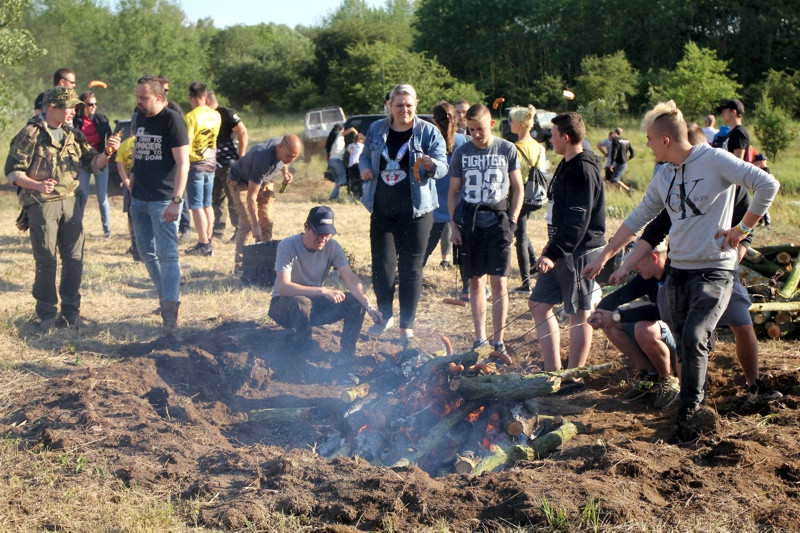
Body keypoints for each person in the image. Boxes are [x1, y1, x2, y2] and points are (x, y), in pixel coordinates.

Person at [582, 100, 779, 443]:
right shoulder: (666, 176)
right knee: (686, 343)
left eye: (649, 140)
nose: (645, 145)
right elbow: (638, 221)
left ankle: (693, 409)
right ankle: (691, 406)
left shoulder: (714, 159)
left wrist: (742, 229)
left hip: (714, 271)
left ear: (666, 141)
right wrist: (607, 257)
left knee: (694, 335)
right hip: (679, 273)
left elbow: (767, 185)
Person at [5, 86, 119, 330]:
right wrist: (36, 184)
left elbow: (92, 163)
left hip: (70, 202)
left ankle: (70, 313)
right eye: (69, 107)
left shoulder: (73, 135)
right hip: (42, 205)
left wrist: (107, 152)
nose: (73, 112)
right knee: (46, 261)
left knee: (74, 259)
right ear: (53, 108)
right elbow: (13, 172)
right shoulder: (30, 134)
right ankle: (46, 314)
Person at [358, 83, 448, 352]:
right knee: (382, 267)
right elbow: (364, 157)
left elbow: (444, 166)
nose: (404, 110)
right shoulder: (376, 129)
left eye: (409, 105)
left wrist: (433, 165)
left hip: (417, 211)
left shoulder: (429, 131)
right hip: (382, 210)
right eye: (398, 105)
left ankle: (406, 325)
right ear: (390, 106)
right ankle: (385, 315)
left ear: (416, 106)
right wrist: (364, 169)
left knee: (411, 269)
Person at [529, 111, 606, 372]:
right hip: (560, 249)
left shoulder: (583, 170)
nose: (549, 140)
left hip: (579, 250)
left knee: (579, 314)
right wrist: (550, 248)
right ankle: (553, 372)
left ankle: (573, 375)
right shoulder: (568, 163)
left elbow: (577, 221)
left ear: (565, 137)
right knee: (538, 304)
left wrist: (554, 252)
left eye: (552, 136)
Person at [449, 103, 523, 356]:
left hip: (498, 219)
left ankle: (498, 339)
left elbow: (518, 188)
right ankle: (480, 338)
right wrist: (454, 226)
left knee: (500, 282)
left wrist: (512, 219)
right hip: (470, 222)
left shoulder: (506, 149)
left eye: (480, 129)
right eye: (470, 130)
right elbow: (453, 192)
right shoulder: (462, 152)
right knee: (475, 282)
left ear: (491, 124)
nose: (476, 135)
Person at [268, 206, 383, 356]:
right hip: (285, 306)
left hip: (313, 305)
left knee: (357, 302)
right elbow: (284, 288)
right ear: (306, 227)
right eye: (318, 233)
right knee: (300, 302)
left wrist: (369, 307)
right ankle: (304, 350)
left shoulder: (332, 247)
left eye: (327, 234)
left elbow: (351, 278)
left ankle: (346, 358)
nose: (322, 239)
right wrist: (322, 291)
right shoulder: (287, 245)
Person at [129, 75, 190, 333]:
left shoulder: (172, 120)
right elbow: (138, 150)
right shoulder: (139, 116)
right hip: (139, 199)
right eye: (138, 97)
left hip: (164, 200)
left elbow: (184, 163)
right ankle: (164, 295)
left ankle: (170, 313)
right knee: (145, 252)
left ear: (159, 97)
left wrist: (176, 201)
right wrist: (132, 175)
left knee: (168, 256)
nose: (139, 101)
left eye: (144, 97)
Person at [588, 240, 680, 409]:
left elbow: (659, 311)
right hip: (666, 332)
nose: (634, 267)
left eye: (637, 261)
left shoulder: (675, 274)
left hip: (681, 341)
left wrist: (617, 316)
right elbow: (622, 295)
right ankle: (649, 375)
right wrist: (599, 313)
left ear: (653, 258)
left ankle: (668, 378)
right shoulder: (647, 275)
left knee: (644, 329)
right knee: (610, 324)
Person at [228, 135, 302, 272]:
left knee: (266, 222)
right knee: (248, 223)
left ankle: (263, 262)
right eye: (289, 156)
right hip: (241, 183)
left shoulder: (283, 148)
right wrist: (256, 225)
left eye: (294, 157)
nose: (291, 159)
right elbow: (251, 196)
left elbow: (283, 161)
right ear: (279, 147)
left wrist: (285, 172)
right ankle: (240, 267)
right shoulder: (262, 159)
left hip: (264, 182)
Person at [423, 101, 468, 272]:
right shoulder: (464, 141)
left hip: (434, 202)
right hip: (457, 200)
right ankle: (464, 282)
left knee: (425, 246)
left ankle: (411, 273)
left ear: (435, 121)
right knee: (461, 245)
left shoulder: (430, 141)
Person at [509, 105, 547, 294]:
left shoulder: (514, 148)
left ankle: (526, 282)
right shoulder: (539, 147)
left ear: (520, 124)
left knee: (520, 237)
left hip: (518, 192)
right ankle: (534, 265)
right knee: (522, 231)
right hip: (534, 193)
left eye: (512, 121)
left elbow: (512, 176)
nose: (509, 124)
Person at [183, 81, 221, 257]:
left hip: (196, 164)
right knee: (207, 204)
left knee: (196, 205)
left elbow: (188, 142)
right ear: (206, 97)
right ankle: (209, 239)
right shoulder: (216, 115)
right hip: (211, 163)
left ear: (191, 98)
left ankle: (203, 242)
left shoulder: (191, 117)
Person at [207, 91, 248, 238]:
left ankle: (239, 229)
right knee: (216, 198)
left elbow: (242, 132)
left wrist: (241, 157)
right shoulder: (206, 116)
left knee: (234, 198)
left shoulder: (226, 113)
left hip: (229, 163)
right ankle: (218, 230)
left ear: (206, 101)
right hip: (213, 164)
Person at [73, 91, 113, 237]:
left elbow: (110, 136)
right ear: (83, 106)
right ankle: (77, 229)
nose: (93, 107)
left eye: (95, 104)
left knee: (102, 196)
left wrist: (111, 148)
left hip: (100, 158)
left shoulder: (101, 119)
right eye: (90, 104)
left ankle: (107, 230)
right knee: (82, 195)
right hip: (83, 161)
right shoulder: (76, 121)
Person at [116, 124, 139, 261]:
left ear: (130, 129)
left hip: (128, 185)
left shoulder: (124, 145)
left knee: (131, 217)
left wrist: (128, 183)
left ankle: (133, 245)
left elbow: (120, 168)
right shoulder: (143, 142)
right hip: (143, 184)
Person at [326, 124, 358, 200]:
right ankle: (333, 197)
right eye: (343, 129)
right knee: (343, 180)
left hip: (331, 161)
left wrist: (350, 149)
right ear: (341, 129)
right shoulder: (339, 135)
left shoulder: (333, 138)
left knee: (338, 181)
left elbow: (341, 149)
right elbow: (352, 129)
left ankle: (334, 197)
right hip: (337, 161)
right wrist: (356, 134)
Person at [608, 127, 634, 193]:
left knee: (614, 179)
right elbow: (633, 153)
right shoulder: (626, 140)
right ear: (621, 133)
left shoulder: (615, 140)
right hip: (624, 163)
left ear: (615, 133)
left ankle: (628, 190)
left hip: (619, 163)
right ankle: (619, 194)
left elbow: (614, 152)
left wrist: (611, 164)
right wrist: (628, 158)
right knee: (617, 179)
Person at [345, 133, 365, 199]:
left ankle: (353, 195)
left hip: (351, 164)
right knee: (360, 180)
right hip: (358, 163)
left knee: (353, 180)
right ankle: (361, 195)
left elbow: (347, 149)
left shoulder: (351, 145)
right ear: (361, 139)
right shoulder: (361, 146)